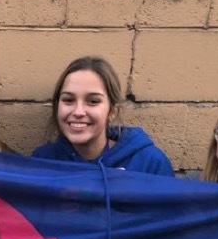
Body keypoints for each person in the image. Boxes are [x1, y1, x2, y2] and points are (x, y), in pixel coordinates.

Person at [32, 56, 174, 175]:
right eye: (68, 100)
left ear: (113, 112)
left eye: (93, 101)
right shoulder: (42, 162)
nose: (78, 112)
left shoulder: (149, 163)